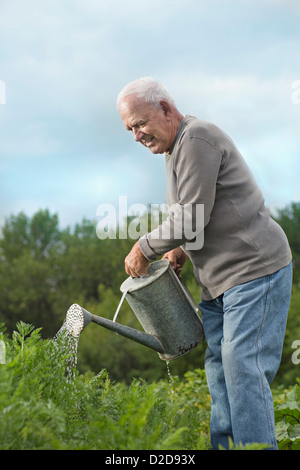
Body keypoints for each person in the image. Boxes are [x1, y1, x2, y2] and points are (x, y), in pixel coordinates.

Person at [116, 77, 293, 450]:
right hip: (217, 282)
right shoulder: (174, 149)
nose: (136, 135)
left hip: (253, 270)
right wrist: (179, 250)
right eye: (130, 129)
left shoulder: (197, 138)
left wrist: (143, 247)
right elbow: (199, 212)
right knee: (221, 371)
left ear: (165, 108)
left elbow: (191, 218)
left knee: (242, 367)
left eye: (139, 123)